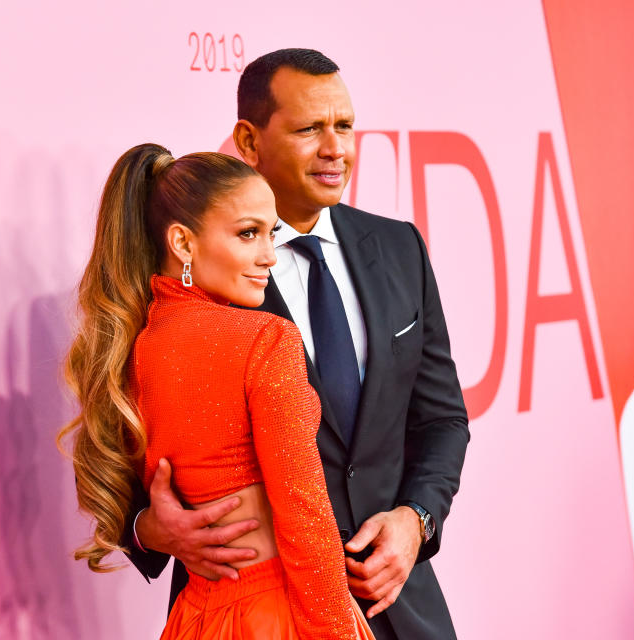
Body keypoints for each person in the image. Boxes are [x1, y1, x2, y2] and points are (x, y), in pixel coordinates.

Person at [125, 49, 470, 640]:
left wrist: (416, 521)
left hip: (400, 604)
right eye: (310, 129)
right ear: (249, 139)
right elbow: (131, 448)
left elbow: (442, 418)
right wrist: (149, 530)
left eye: (344, 126)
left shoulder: (399, 248)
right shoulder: (194, 280)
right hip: (260, 612)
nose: (335, 148)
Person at [59, 143, 374, 638]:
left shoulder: (134, 350)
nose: (269, 255)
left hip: (195, 618)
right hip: (278, 612)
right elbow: (303, 511)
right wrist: (337, 630)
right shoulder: (264, 339)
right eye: (248, 234)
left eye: (270, 234)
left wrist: (148, 529)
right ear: (182, 243)